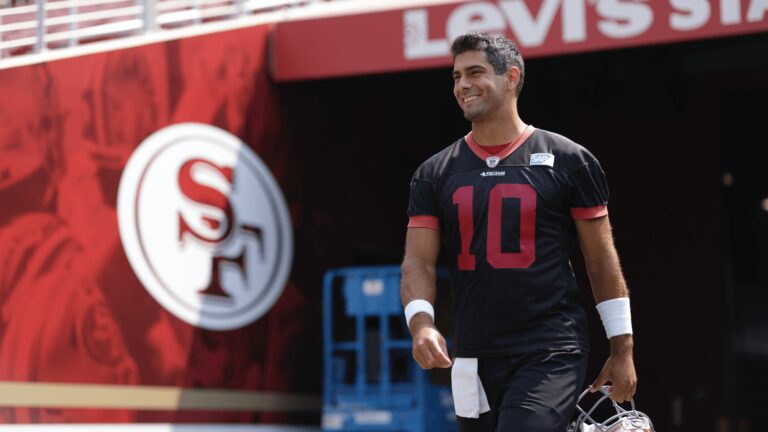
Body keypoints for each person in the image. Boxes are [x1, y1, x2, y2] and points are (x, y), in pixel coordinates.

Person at [400, 32, 637, 432]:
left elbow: (600, 259)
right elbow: (418, 261)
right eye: (456, 76)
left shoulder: (569, 160)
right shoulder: (434, 173)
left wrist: (623, 347)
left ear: (511, 77)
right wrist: (421, 322)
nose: (462, 85)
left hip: (549, 348)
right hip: (473, 352)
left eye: (475, 72)